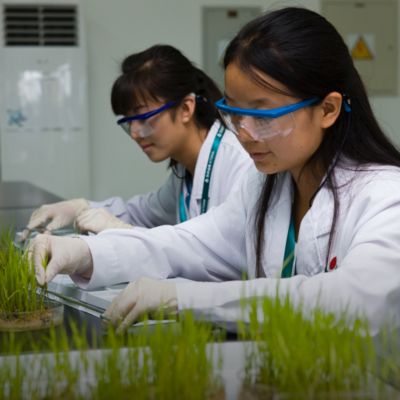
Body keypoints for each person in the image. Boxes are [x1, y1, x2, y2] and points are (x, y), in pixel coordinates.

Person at [30, 7, 400, 335]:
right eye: (236, 112)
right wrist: (84, 252)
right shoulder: (267, 185)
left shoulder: (385, 197)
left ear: (328, 110)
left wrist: (186, 298)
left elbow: (355, 301)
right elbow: (187, 243)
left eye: (263, 114)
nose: (244, 134)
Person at [21, 45, 251, 238]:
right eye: (129, 121)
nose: (135, 133)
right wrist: (81, 208)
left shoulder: (238, 163)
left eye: (143, 118)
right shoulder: (186, 171)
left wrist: (127, 232)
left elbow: (222, 255)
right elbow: (145, 212)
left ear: (186, 108)